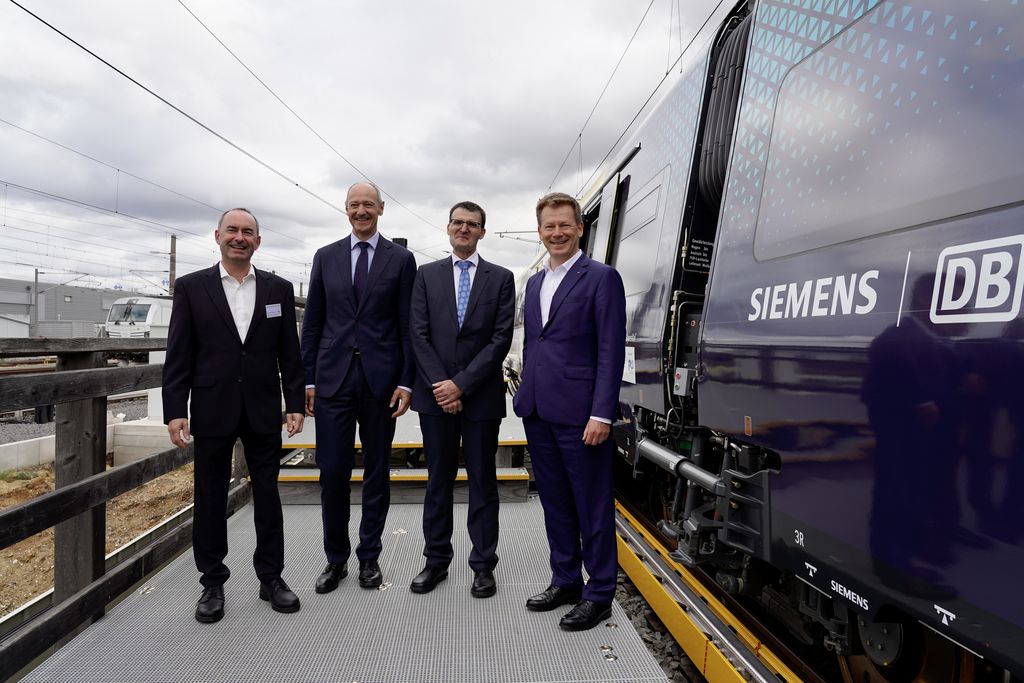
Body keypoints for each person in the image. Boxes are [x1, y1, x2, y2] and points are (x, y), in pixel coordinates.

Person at [163, 207, 305, 623]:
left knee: (268, 494)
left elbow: (289, 355)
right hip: (211, 406)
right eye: (232, 231)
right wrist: (176, 409)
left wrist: (293, 403)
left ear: (258, 241)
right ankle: (211, 582)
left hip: (263, 408)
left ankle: (271, 578)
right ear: (217, 236)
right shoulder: (191, 287)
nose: (239, 237)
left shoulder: (277, 289)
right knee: (209, 497)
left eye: (248, 232)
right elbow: (179, 353)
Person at [513, 192, 626, 631]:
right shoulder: (536, 283)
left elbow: (610, 350)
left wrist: (602, 413)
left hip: (582, 416)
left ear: (580, 228)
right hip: (539, 409)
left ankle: (599, 593)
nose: (556, 233)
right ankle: (565, 580)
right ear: (539, 232)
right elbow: (534, 344)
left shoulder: (602, 278)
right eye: (548, 227)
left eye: (564, 225)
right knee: (555, 502)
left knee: (592, 504)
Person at [301, 182, 416, 593]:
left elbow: (407, 326)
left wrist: (407, 381)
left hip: (381, 382)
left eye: (368, 204)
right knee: (332, 471)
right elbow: (312, 322)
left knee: (377, 470)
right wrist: (308, 379)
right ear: (345, 209)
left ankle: (370, 557)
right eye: (355, 205)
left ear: (381, 208)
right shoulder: (325, 257)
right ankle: (335, 560)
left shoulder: (401, 260)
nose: (361, 211)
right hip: (332, 381)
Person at [408, 201, 515, 598]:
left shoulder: (501, 278)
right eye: (458, 223)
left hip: (482, 396)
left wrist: (462, 385)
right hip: (435, 396)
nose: (464, 229)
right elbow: (417, 334)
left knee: (482, 481)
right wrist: (442, 385)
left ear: (483, 232)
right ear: (448, 228)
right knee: (438, 480)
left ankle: (483, 565)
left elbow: (499, 339)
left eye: (472, 224)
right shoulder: (425, 276)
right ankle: (435, 561)